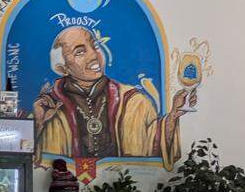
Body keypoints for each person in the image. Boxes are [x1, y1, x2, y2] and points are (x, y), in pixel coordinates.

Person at [32, 26, 194, 170]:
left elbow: (152, 145)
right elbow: (27, 160)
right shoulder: (48, 106)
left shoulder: (133, 101)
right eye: (80, 52)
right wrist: (38, 124)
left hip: (120, 187)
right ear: (63, 68)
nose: (94, 56)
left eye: (95, 46)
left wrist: (173, 116)